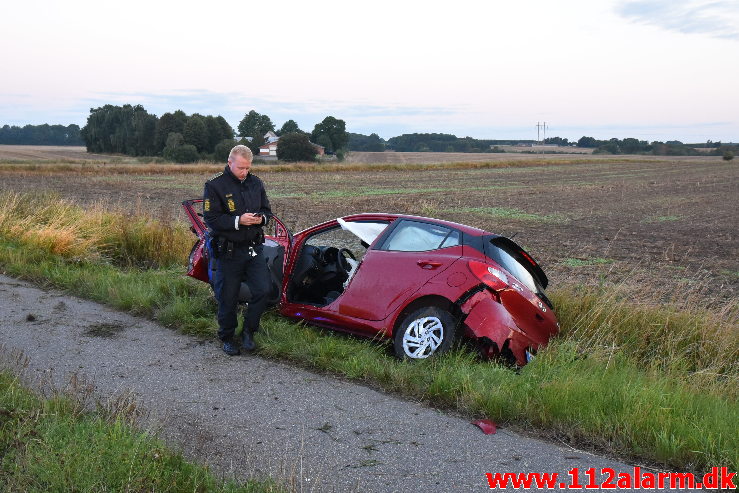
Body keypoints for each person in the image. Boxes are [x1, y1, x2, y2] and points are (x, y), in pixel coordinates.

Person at [203, 145, 272, 355]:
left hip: (253, 248)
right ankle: (227, 337)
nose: (244, 172)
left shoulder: (255, 182)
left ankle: (249, 332)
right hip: (229, 251)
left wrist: (261, 219)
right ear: (230, 162)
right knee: (228, 296)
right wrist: (238, 220)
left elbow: (267, 211)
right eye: (241, 167)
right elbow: (211, 219)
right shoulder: (215, 185)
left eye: (248, 168)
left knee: (263, 290)